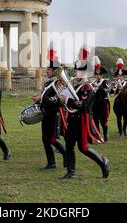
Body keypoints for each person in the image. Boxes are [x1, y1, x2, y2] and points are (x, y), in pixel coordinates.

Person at [61, 46, 110, 179]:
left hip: (82, 120)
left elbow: (82, 106)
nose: (75, 72)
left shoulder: (87, 87)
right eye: (76, 69)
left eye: (77, 70)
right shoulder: (75, 85)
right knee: (69, 145)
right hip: (72, 118)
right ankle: (71, 172)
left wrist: (67, 100)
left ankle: (103, 162)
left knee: (83, 148)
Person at [32, 46, 67, 169]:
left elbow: (57, 99)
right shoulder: (48, 83)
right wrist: (38, 100)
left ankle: (65, 154)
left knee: (52, 139)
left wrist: (41, 99)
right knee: (45, 139)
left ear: (54, 71)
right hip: (46, 113)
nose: (47, 71)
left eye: (49, 69)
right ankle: (51, 162)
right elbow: (45, 97)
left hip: (54, 114)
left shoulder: (60, 83)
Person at [91, 56, 111, 142]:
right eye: (96, 74)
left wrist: (99, 87)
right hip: (95, 104)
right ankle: (98, 136)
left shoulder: (104, 82)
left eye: (99, 74)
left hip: (103, 103)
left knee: (104, 121)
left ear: (101, 75)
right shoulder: (93, 82)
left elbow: (106, 91)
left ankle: (105, 135)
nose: (97, 76)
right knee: (96, 121)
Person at [111, 58, 127, 137]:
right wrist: (115, 87)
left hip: (125, 103)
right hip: (117, 103)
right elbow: (111, 93)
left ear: (123, 76)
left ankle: (124, 130)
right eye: (118, 75)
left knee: (125, 118)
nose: (119, 77)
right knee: (119, 119)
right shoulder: (114, 83)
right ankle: (120, 132)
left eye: (121, 76)